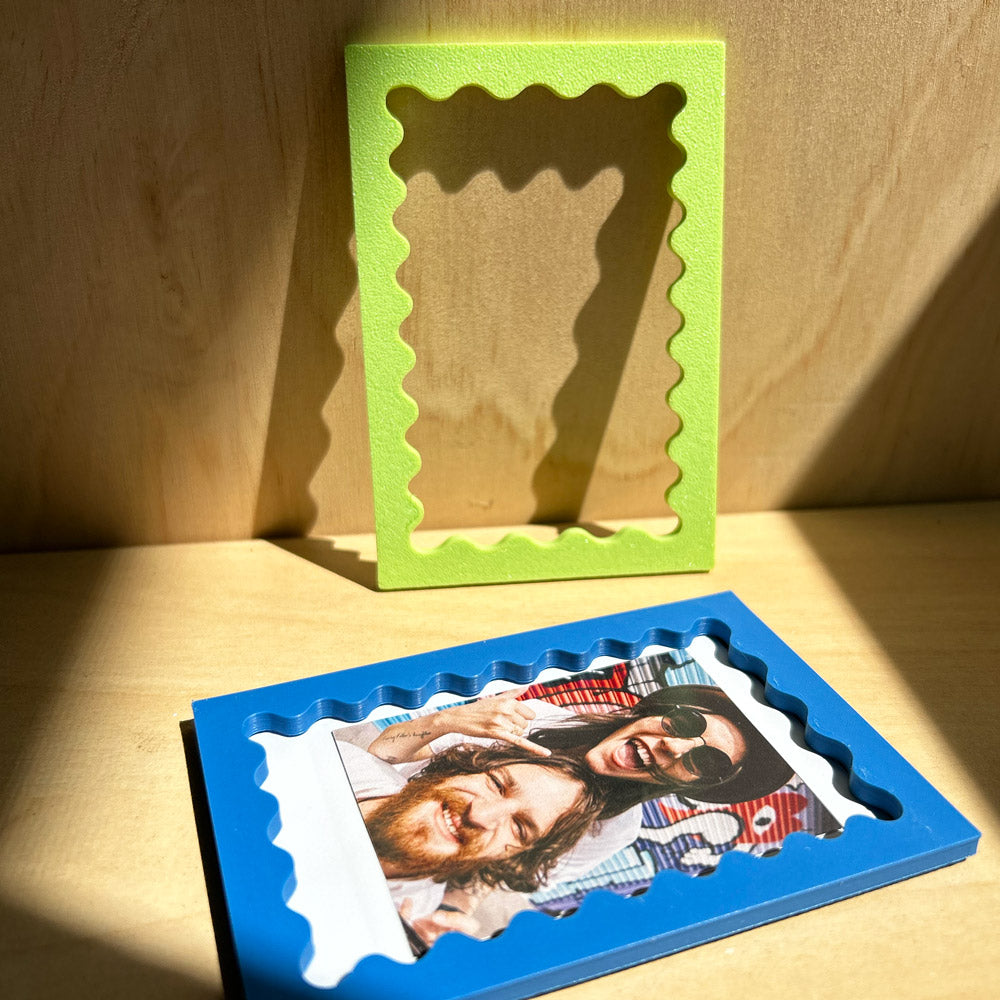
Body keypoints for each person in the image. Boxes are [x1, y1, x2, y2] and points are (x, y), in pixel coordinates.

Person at [333, 735, 605, 942]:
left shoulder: (414, 916)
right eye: (497, 784)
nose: (480, 815)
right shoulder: (336, 764)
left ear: (511, 856)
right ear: (465, 769)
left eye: (520, 828)